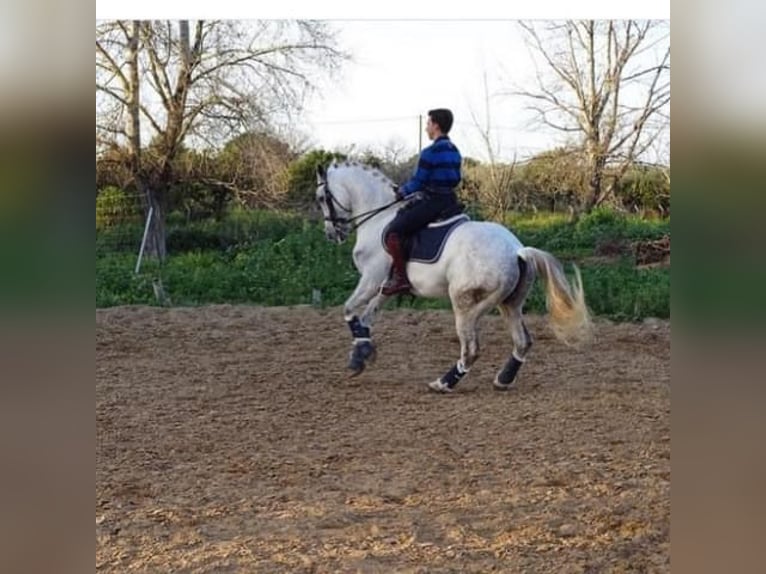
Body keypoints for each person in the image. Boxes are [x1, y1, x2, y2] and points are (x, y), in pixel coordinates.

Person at [380, 108, 463, 296]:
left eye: (428, 123)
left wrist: (402, 192)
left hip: (433, 201)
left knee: (394, 231)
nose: (426, 128)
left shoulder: (430, 152)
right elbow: (457, 179)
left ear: (435, 125)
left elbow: (419, 181)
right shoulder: (455, 150)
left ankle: (401, 279)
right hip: (450, 199)